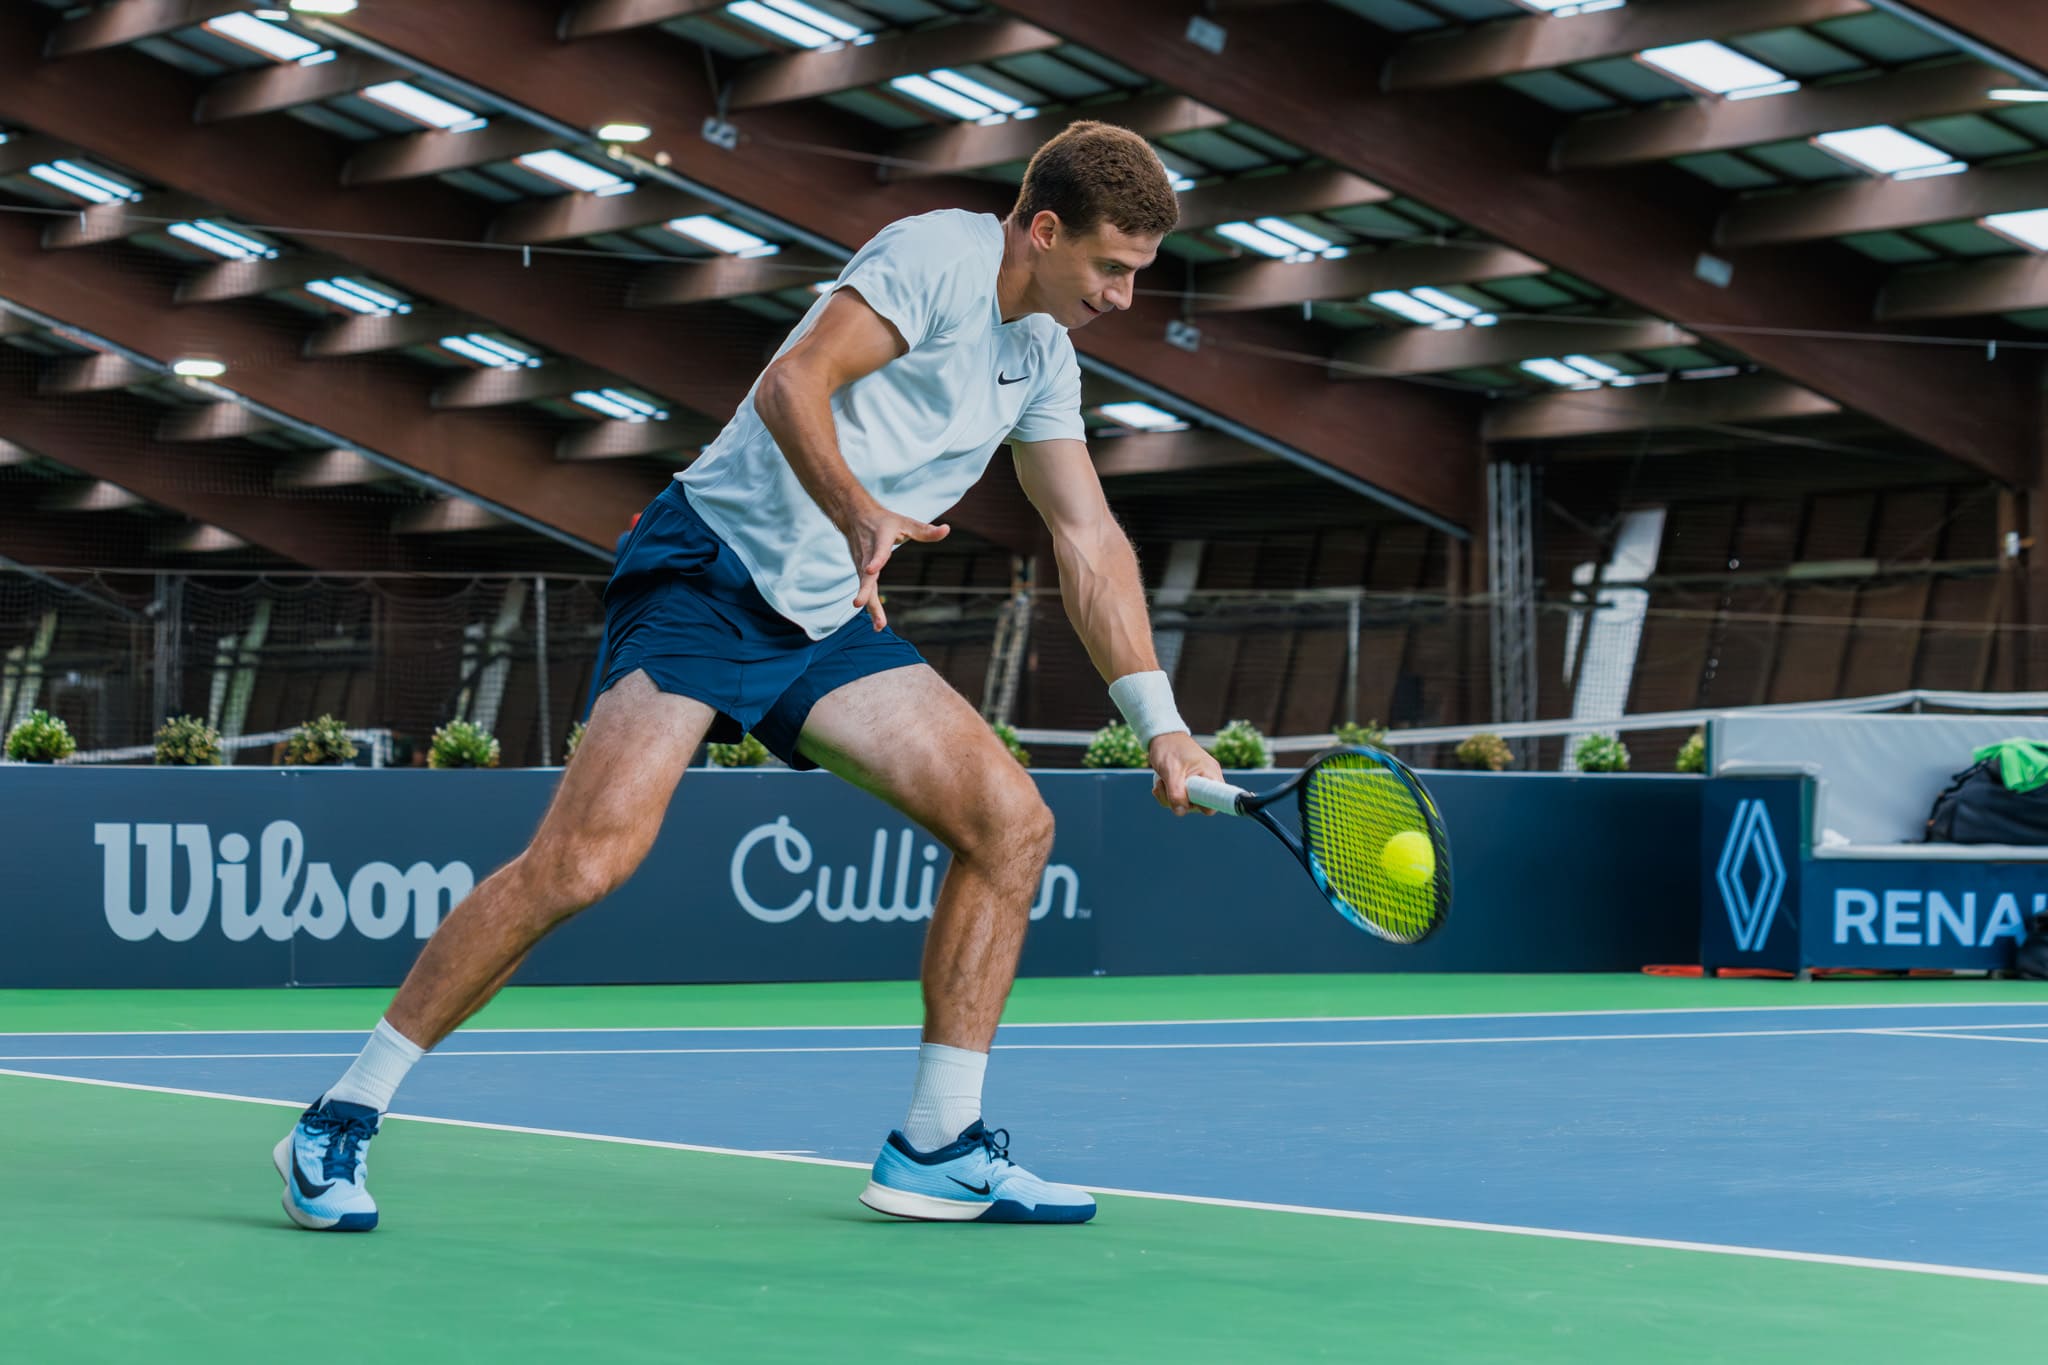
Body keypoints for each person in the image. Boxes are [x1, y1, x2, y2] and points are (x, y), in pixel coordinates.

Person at [273, 120, 1221, 1230]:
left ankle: (934, 1144)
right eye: (1109, 267)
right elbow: (792, 382)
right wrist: (856, 509)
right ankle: (337, 1119)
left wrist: (1158, 722)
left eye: (1136, 274)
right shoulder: (934, 259)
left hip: (826, 611)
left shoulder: (1043, 358)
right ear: (1044, 229)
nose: (1119, 296)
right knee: (584, 862)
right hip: (709, 574)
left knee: (1010, 825)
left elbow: (1087, 539)